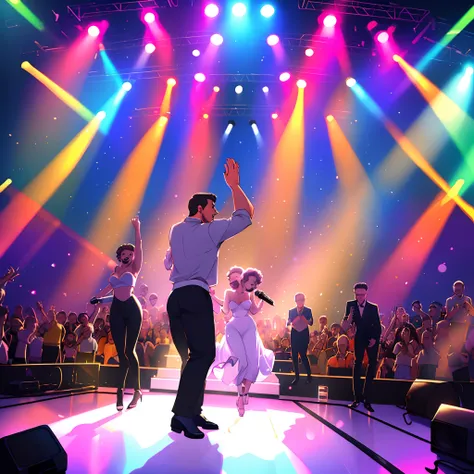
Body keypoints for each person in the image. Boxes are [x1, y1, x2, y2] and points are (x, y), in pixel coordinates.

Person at [164, 158, 253, 439]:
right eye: (212, 207)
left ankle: (191, 412)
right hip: (194, 296)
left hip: (175, 298)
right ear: (200, 208)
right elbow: (246, 215)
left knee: (194, 358)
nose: (215, 212)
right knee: (203, 355)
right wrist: (234, 186)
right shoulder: (210, 230)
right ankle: (182, 413)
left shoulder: (175, 229)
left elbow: (169, 262)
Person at [90, 216, 143, 411]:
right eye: (124, 253)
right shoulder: (115, 271)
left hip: (132, 308)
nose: (128, 255)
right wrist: (98, 299)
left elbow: (139, 246)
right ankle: (119, 392)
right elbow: (110, 293)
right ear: (119, 256)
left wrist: (137, 229)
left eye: (131, 253)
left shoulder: (135, 269)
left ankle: (137, 390)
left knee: (130, 351)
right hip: (117, 310)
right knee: (121, 354)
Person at [213, 268, 274, 417]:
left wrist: (262, 302)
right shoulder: (228, 293)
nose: (253, 286)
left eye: (254, 284)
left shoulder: (250, 293)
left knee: (253, 362)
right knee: (241, 361)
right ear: (244, 280)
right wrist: (218, 300)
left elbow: (253, 311)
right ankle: (240, 395)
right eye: (251, 283)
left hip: (249, 327)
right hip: (233, 328)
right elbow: (226, 311)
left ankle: (243, 395)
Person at [342, 282, 381, 412]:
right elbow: (345, 326)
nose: (359, 297)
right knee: (357, 365)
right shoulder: (350, 305)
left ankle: (367, 399)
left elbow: (377, 326)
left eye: (362, 294)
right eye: (357, 294)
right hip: (358, 338)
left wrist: (375, 339)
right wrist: (349, 317)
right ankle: (357, 398)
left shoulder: (373, 307)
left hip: (371, 339)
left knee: (372, 365)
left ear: (366, 294)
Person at [287, 293, 313, 385]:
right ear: (295, 301)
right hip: (295, 333)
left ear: (304, 300)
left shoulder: (308, 310)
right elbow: (288, 322)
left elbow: (311, 322)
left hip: (303, 333)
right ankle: (296, 376)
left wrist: (303, 319)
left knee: (303, 354)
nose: (300, 302)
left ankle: (309, 375)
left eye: (301, 299)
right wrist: (295, 320)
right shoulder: (292, 311)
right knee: (294, 355)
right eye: (298, 300)